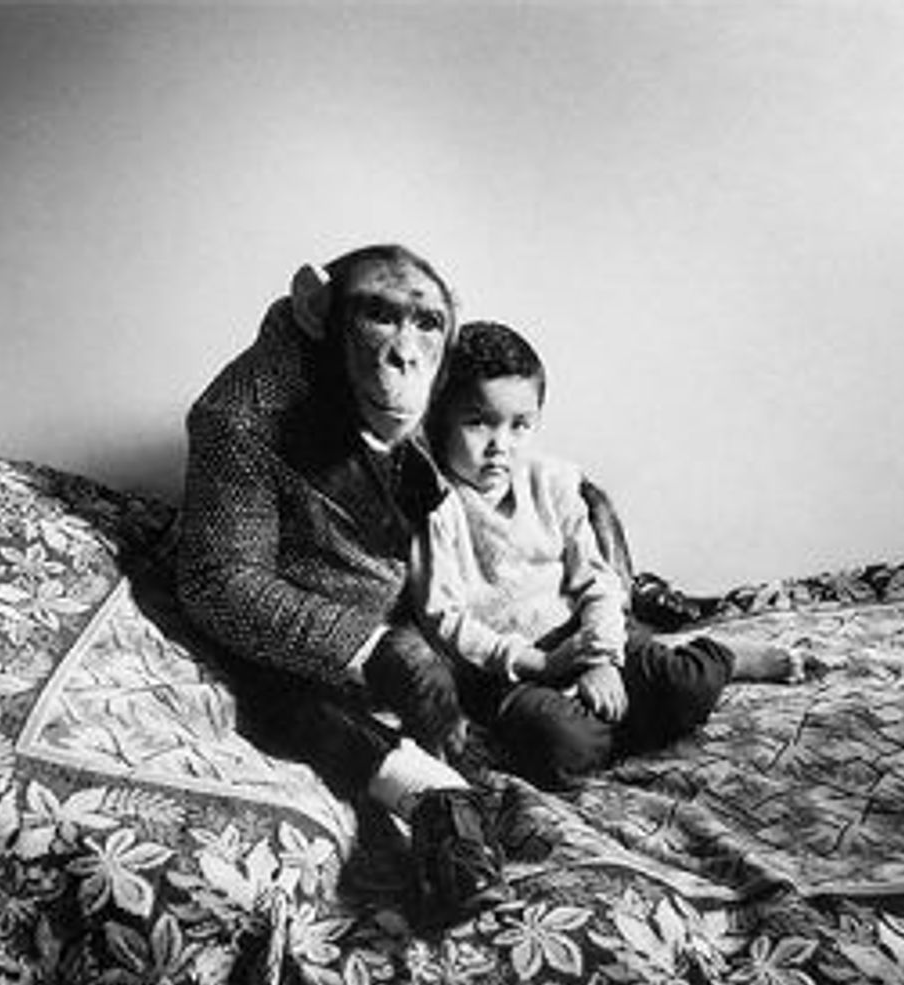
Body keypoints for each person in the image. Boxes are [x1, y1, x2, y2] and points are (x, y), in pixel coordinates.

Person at [177, 245, 507, 929]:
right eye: (379, 319)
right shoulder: (240, 415)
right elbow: (218, 580)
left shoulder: (428, 382)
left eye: (425, 325)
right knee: (287, 701)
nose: (404, 354)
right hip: (300, 641)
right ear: (316, 309)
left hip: (408, 602)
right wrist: (375, 647)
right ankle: (434, 800)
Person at [412, 320, 809, 791]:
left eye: (520, 425)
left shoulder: (551, 482)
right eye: (478, 422)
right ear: (439, 416)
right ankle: (610, 724)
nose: (500, 445)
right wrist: (537, 665)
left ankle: (724, 658)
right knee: (560, 748)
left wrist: (601, 658)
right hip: (512, 671)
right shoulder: (434, 504)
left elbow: (597, 582)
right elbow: (443, 617)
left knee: (684, 686)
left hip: (583, 637)